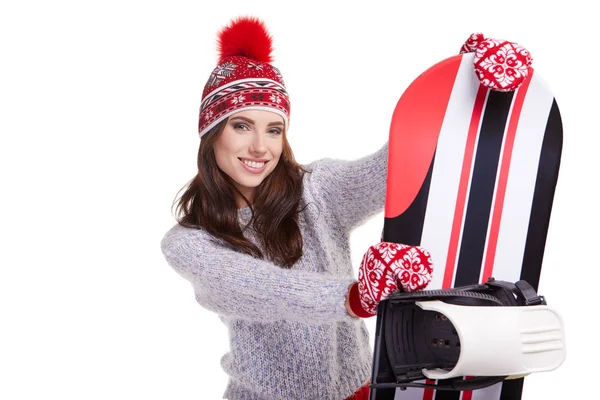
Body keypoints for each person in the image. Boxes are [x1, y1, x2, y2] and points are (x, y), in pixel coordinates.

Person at [160, 16, 431, 400]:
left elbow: (395, 166)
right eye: (241, 126)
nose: (260, 147)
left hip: (359, 391)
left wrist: (455, 94)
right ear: (211, 133)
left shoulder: (316, 190)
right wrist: (355, 295)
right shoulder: (187, 243)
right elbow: (265, 289)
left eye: (273, 129)